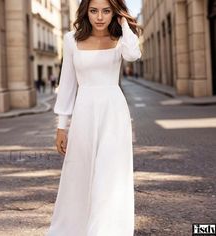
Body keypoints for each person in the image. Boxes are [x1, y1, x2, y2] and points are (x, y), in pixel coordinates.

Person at [46, 0, 141, 235]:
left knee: (110, 173)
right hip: (84, 112)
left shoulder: (120, 39)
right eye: (94, 10)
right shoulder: (71, 40)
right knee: (81, 172)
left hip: (114, 112)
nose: (100, 17)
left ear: (114, 13)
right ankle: (77, 227)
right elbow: (67, 84)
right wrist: (61, 126)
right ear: (86, 11)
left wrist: (125, 25)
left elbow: (133, 55)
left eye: (107, 11)